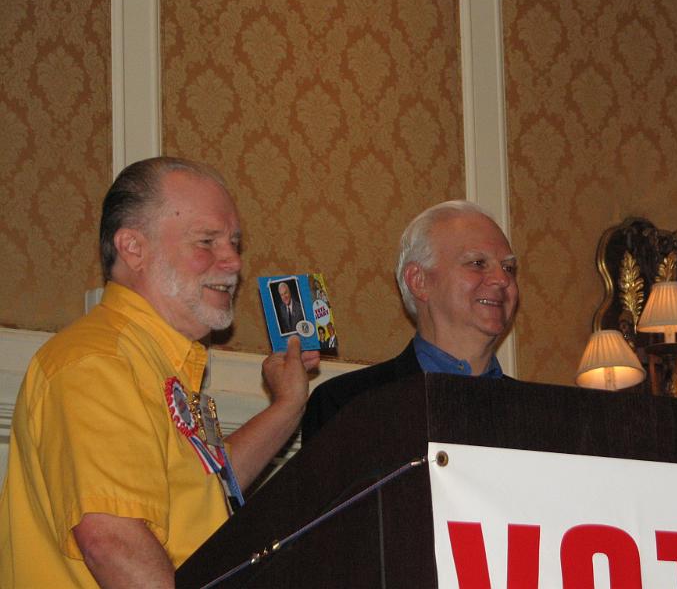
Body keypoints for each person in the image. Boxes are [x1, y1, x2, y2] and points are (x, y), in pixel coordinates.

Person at [0, 157, 320, 588]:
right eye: (207, 242)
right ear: (134, 248)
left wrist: (287, 407)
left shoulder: (152, 361)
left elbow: (205, 491)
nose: (233, 263)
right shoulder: (98, 363)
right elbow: (113, 542)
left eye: (235, 243)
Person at [301, 200, 518, 442]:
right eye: (478, 263)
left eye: (509, 268)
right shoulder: (348, 403)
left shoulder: (539, 411)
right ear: (419, 281)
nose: (502, 279)